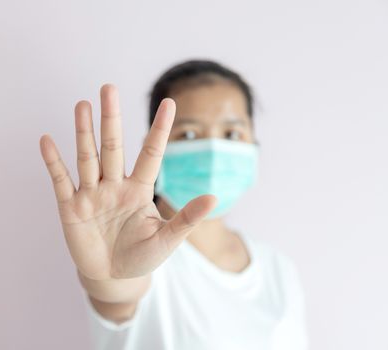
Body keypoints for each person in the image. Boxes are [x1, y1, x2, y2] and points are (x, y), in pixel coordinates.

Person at [39, 59, 308, 350]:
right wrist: (111, 277)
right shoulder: (138, 254)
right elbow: (120, 294)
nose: (214, 152)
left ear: (253, 144)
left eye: (232, 134)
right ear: (156, 145)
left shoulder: (278, 269)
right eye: (189, 134)